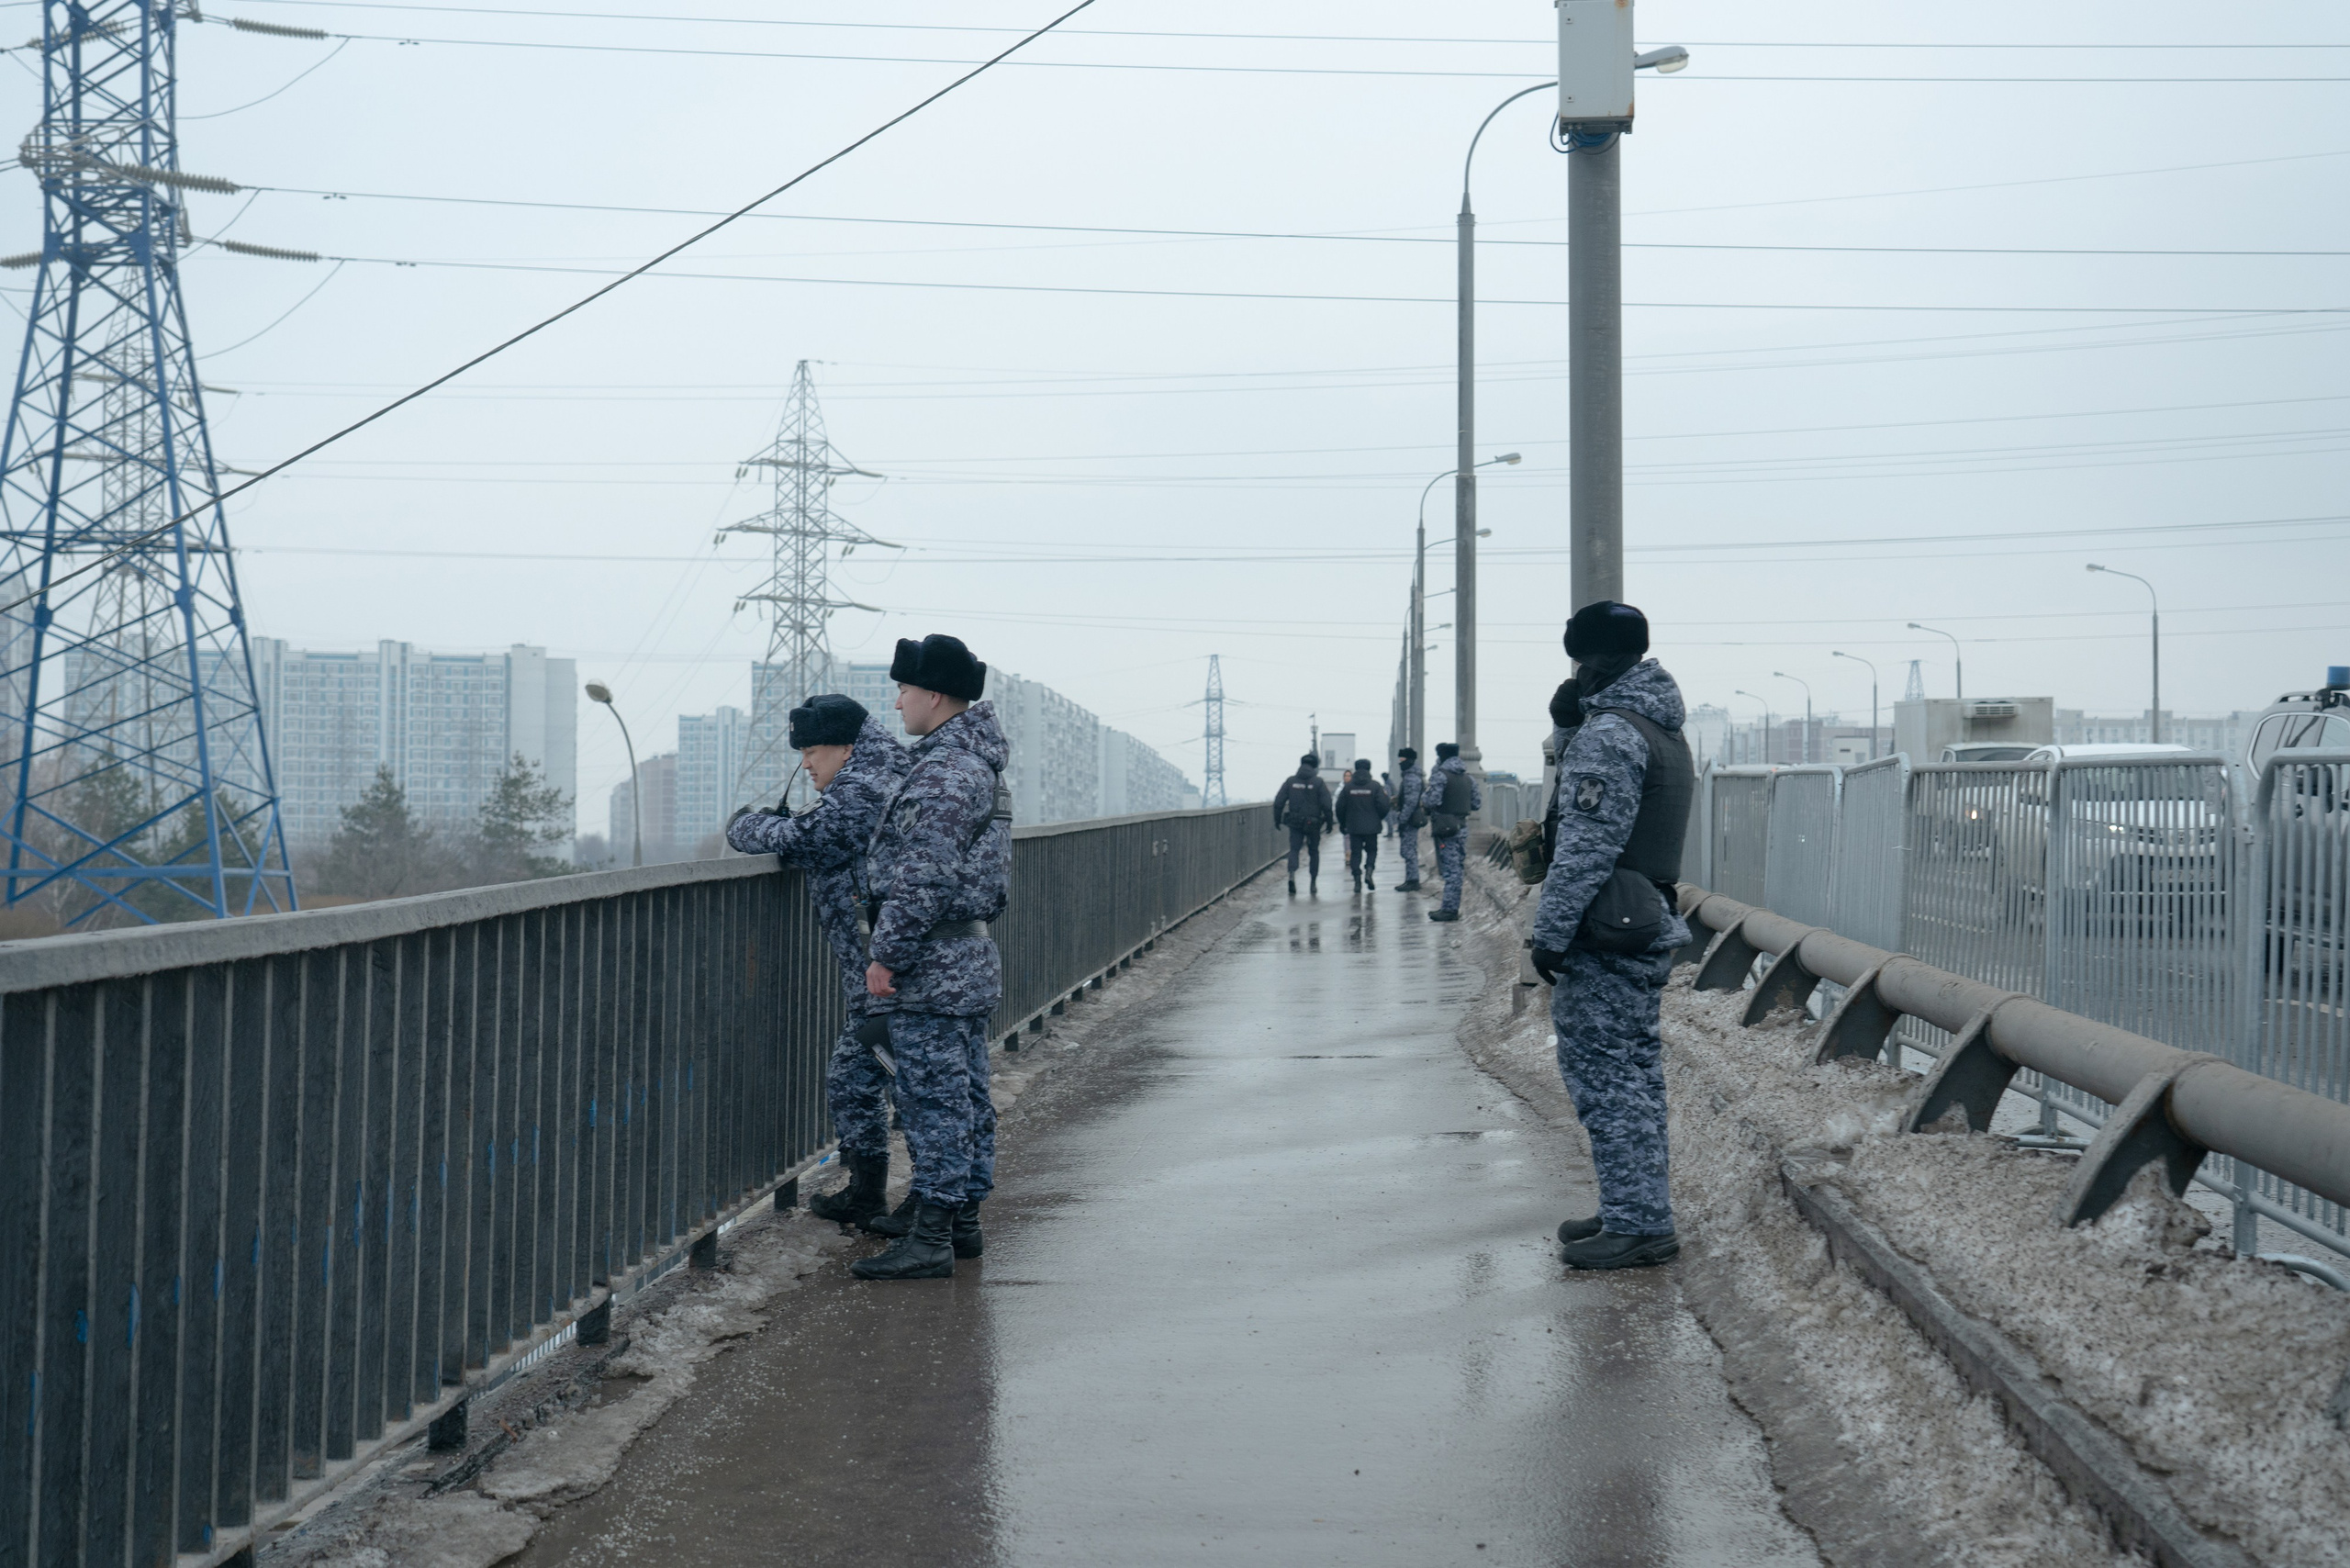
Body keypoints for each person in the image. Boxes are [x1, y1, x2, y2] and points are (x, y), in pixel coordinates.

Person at [1527, 600, 1695, 1272]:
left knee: (1606, 1077)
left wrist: (1551, 933)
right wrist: (1570, 727)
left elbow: (1586, 847)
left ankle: (1638, 1224)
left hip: (1606, 927)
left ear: (1591, 659)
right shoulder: (1657, 724)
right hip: (1641, 917)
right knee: (1634, 1073)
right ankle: (1633, 1205)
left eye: (1578, 658)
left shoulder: (1612, 734)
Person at [850, 633, 1013, 1282]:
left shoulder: (948, 771)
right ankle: (961, 1223)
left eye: (904, 690)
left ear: (935, 695)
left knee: (934, 1101)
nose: (897, 703)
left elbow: (924, 873)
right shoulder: (975, 763)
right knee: (965, 1093)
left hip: (934, 960)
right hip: (962, 954)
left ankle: (932, 1238)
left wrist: (885, 955)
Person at [725, 694, 912, 1230]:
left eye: (811, 751)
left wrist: (745, 827)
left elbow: (810, 838)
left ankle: (933, 1210)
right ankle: (872, 1193)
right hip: (878, 969)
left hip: (891, 970)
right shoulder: (876, 775)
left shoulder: (867, 787)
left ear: (846, 748)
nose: (805, 764)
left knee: (905, 1085)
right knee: (860, 1077)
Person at [1425, 741, 1481, 923]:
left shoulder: (1441, 776)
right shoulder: (1468, 778)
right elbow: (1476, 803)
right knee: (1457, 867)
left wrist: (1425, 795)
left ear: (1441, 756)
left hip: (1445, 826)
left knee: (1451, 870)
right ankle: (1450, 907)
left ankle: (1449, 909)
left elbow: (1432, 801)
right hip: (1461, 827)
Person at [1272, 752, 1333, 895]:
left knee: (1294, 849)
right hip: (1314, 823)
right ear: (1315, 767)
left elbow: (1278, 802)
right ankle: (1313, 883)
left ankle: (1292, 875)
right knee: (1314, 852)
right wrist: (1330, 823)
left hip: (1295, 822)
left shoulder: (1291, 781)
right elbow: (1327, 805)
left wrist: (1277, 820)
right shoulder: (1318, 782)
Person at [1332, 758, 1391, 893]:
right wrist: (1377, 818)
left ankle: (1357, 880)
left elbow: (1339, 807)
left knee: (1355, 854)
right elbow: (1384, 805)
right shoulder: (1375, 786)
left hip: (1354, 827)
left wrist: (1343, 823)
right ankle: (1369, 871)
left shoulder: (1348, 787)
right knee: (1372, 851)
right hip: (1372, 827)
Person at [1390, 746, 1427, 890]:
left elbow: (1411, 802)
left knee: (1408, 850)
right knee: (1409, 850)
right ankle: (1411, 878)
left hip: (1410, 819)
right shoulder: (1411, 776)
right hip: (1411, 818)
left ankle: (1413, 880)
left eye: (1402, 760)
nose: (1400, 763)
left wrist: (1402, 819)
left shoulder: (1411, 778)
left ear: (1410, 760)